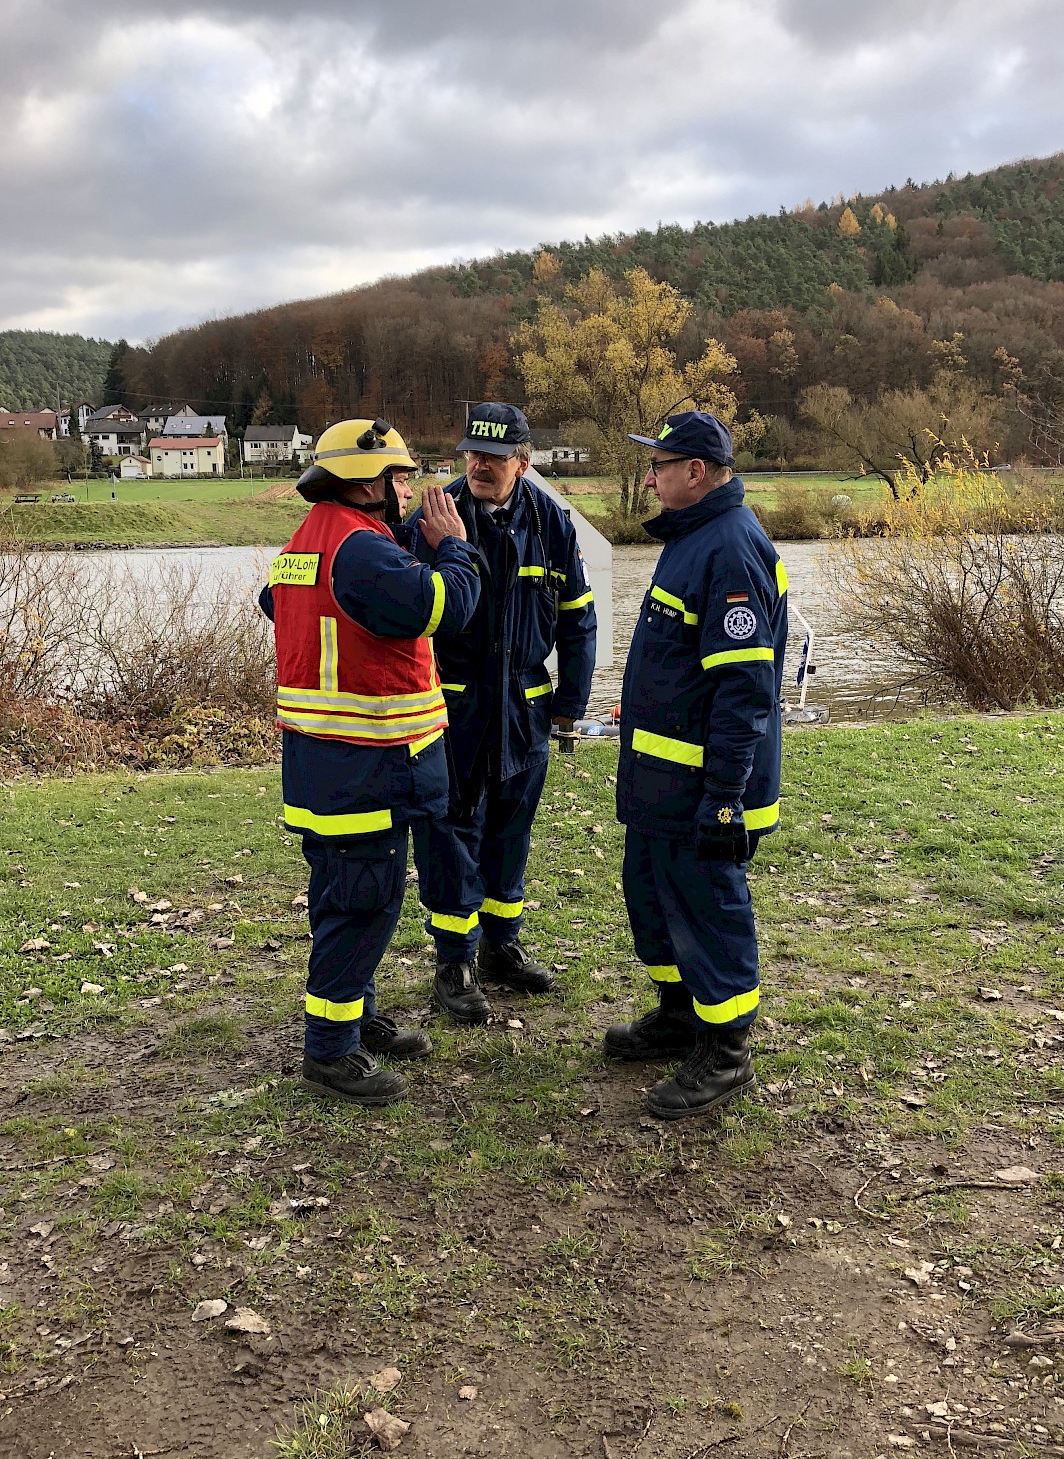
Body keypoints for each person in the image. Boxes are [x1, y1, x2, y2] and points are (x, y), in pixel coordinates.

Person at [259, 418, 480, 1105]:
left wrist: (406, 547)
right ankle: (329, 1053)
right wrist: (455, 551)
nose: (409, 487)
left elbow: (281, 603)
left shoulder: (309, 543)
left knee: (341, 900)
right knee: (365, 906)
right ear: (364, 481)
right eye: (399, 476)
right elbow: (446, 606)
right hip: (366, 769)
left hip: (322, 766)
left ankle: (355, 1017)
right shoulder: (358, 552)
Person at [605, 411, 788, 1119]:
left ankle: (727, 1050)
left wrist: (723, 800)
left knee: (709, 914)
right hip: (661, 784)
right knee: (652, 902)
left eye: (660, 464)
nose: (648, 476)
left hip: (703, 793)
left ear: (699, 472)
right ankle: (680, 1016)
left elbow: (743, 693)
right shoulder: (692, 538)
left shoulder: (731, 548)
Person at [408, 402, 597, 1023]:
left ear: (524, 461)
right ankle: (454, 960)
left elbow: (577, 618)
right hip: (453, 703)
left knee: (511, 828)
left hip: (525, 706)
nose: (480, 465)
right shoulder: (433, 517)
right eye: (473, 453)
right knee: (452, 829)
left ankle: (500, 946)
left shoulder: (552, 522)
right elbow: (406, 611)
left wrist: (570, 703)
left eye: (494, 455)